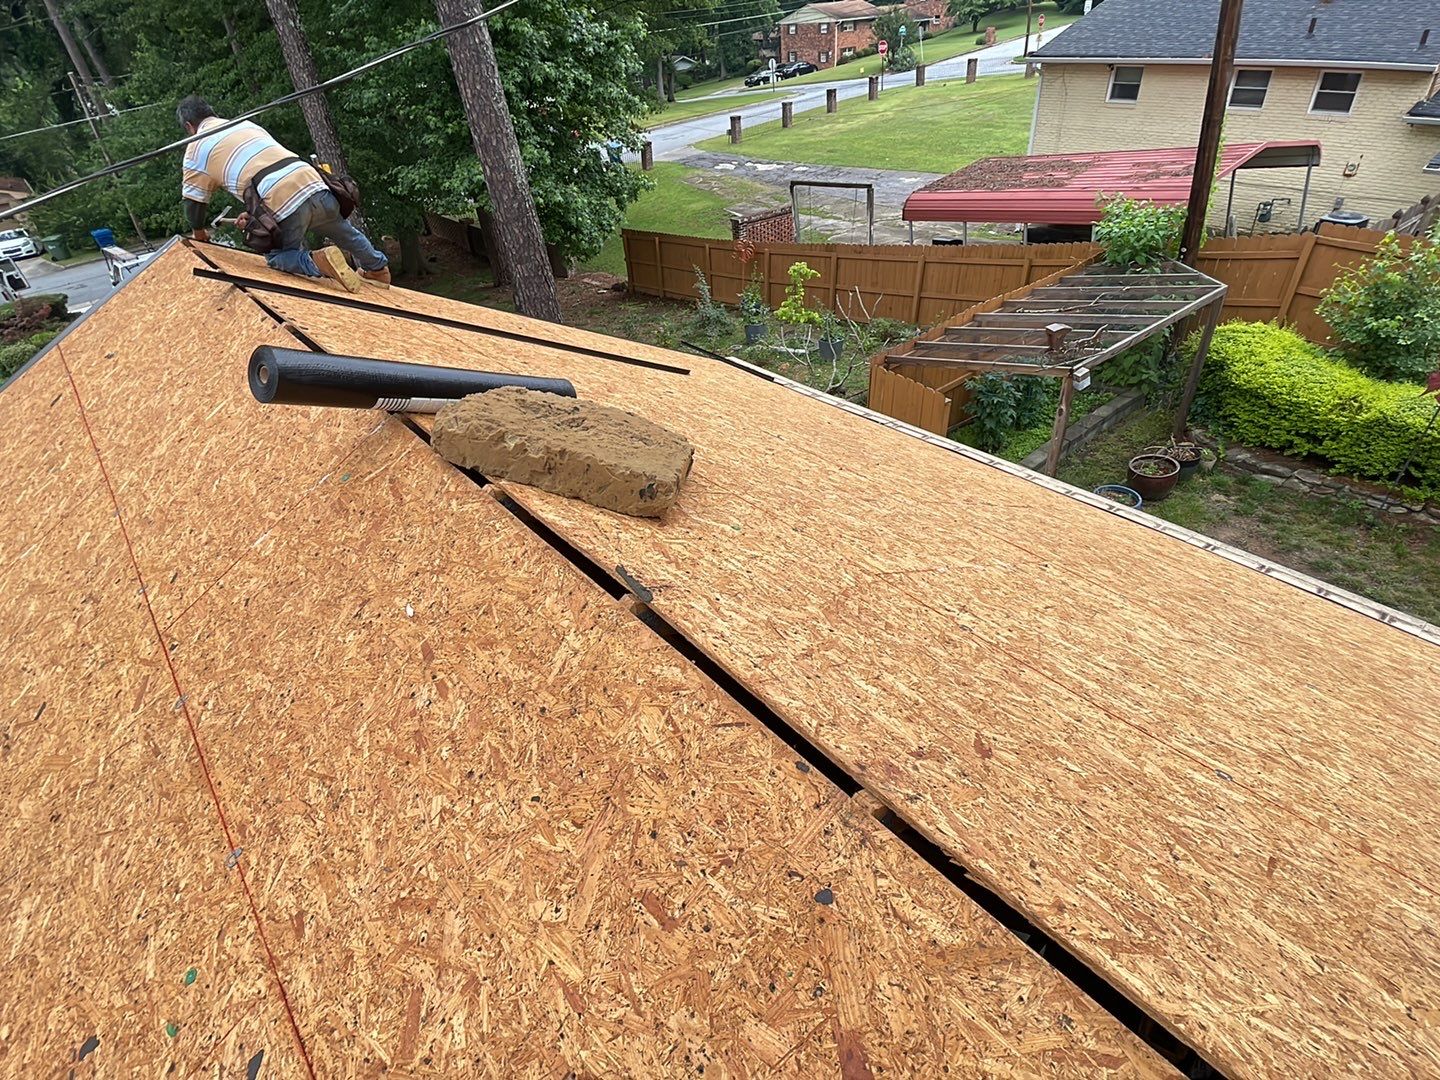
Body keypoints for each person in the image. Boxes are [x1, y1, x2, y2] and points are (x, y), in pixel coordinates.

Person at [177, 95, 388, 291]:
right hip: (313, 181)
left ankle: (319, 262)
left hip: (280, 198)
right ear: (212, 112)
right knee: (342, 230)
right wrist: (253, 216)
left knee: (277, 257)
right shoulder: (244, 124)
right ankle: (377, 269)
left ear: (189, 126)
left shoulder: (195, 149)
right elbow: (266, 165)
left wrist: (200, 235)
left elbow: (194, 204)